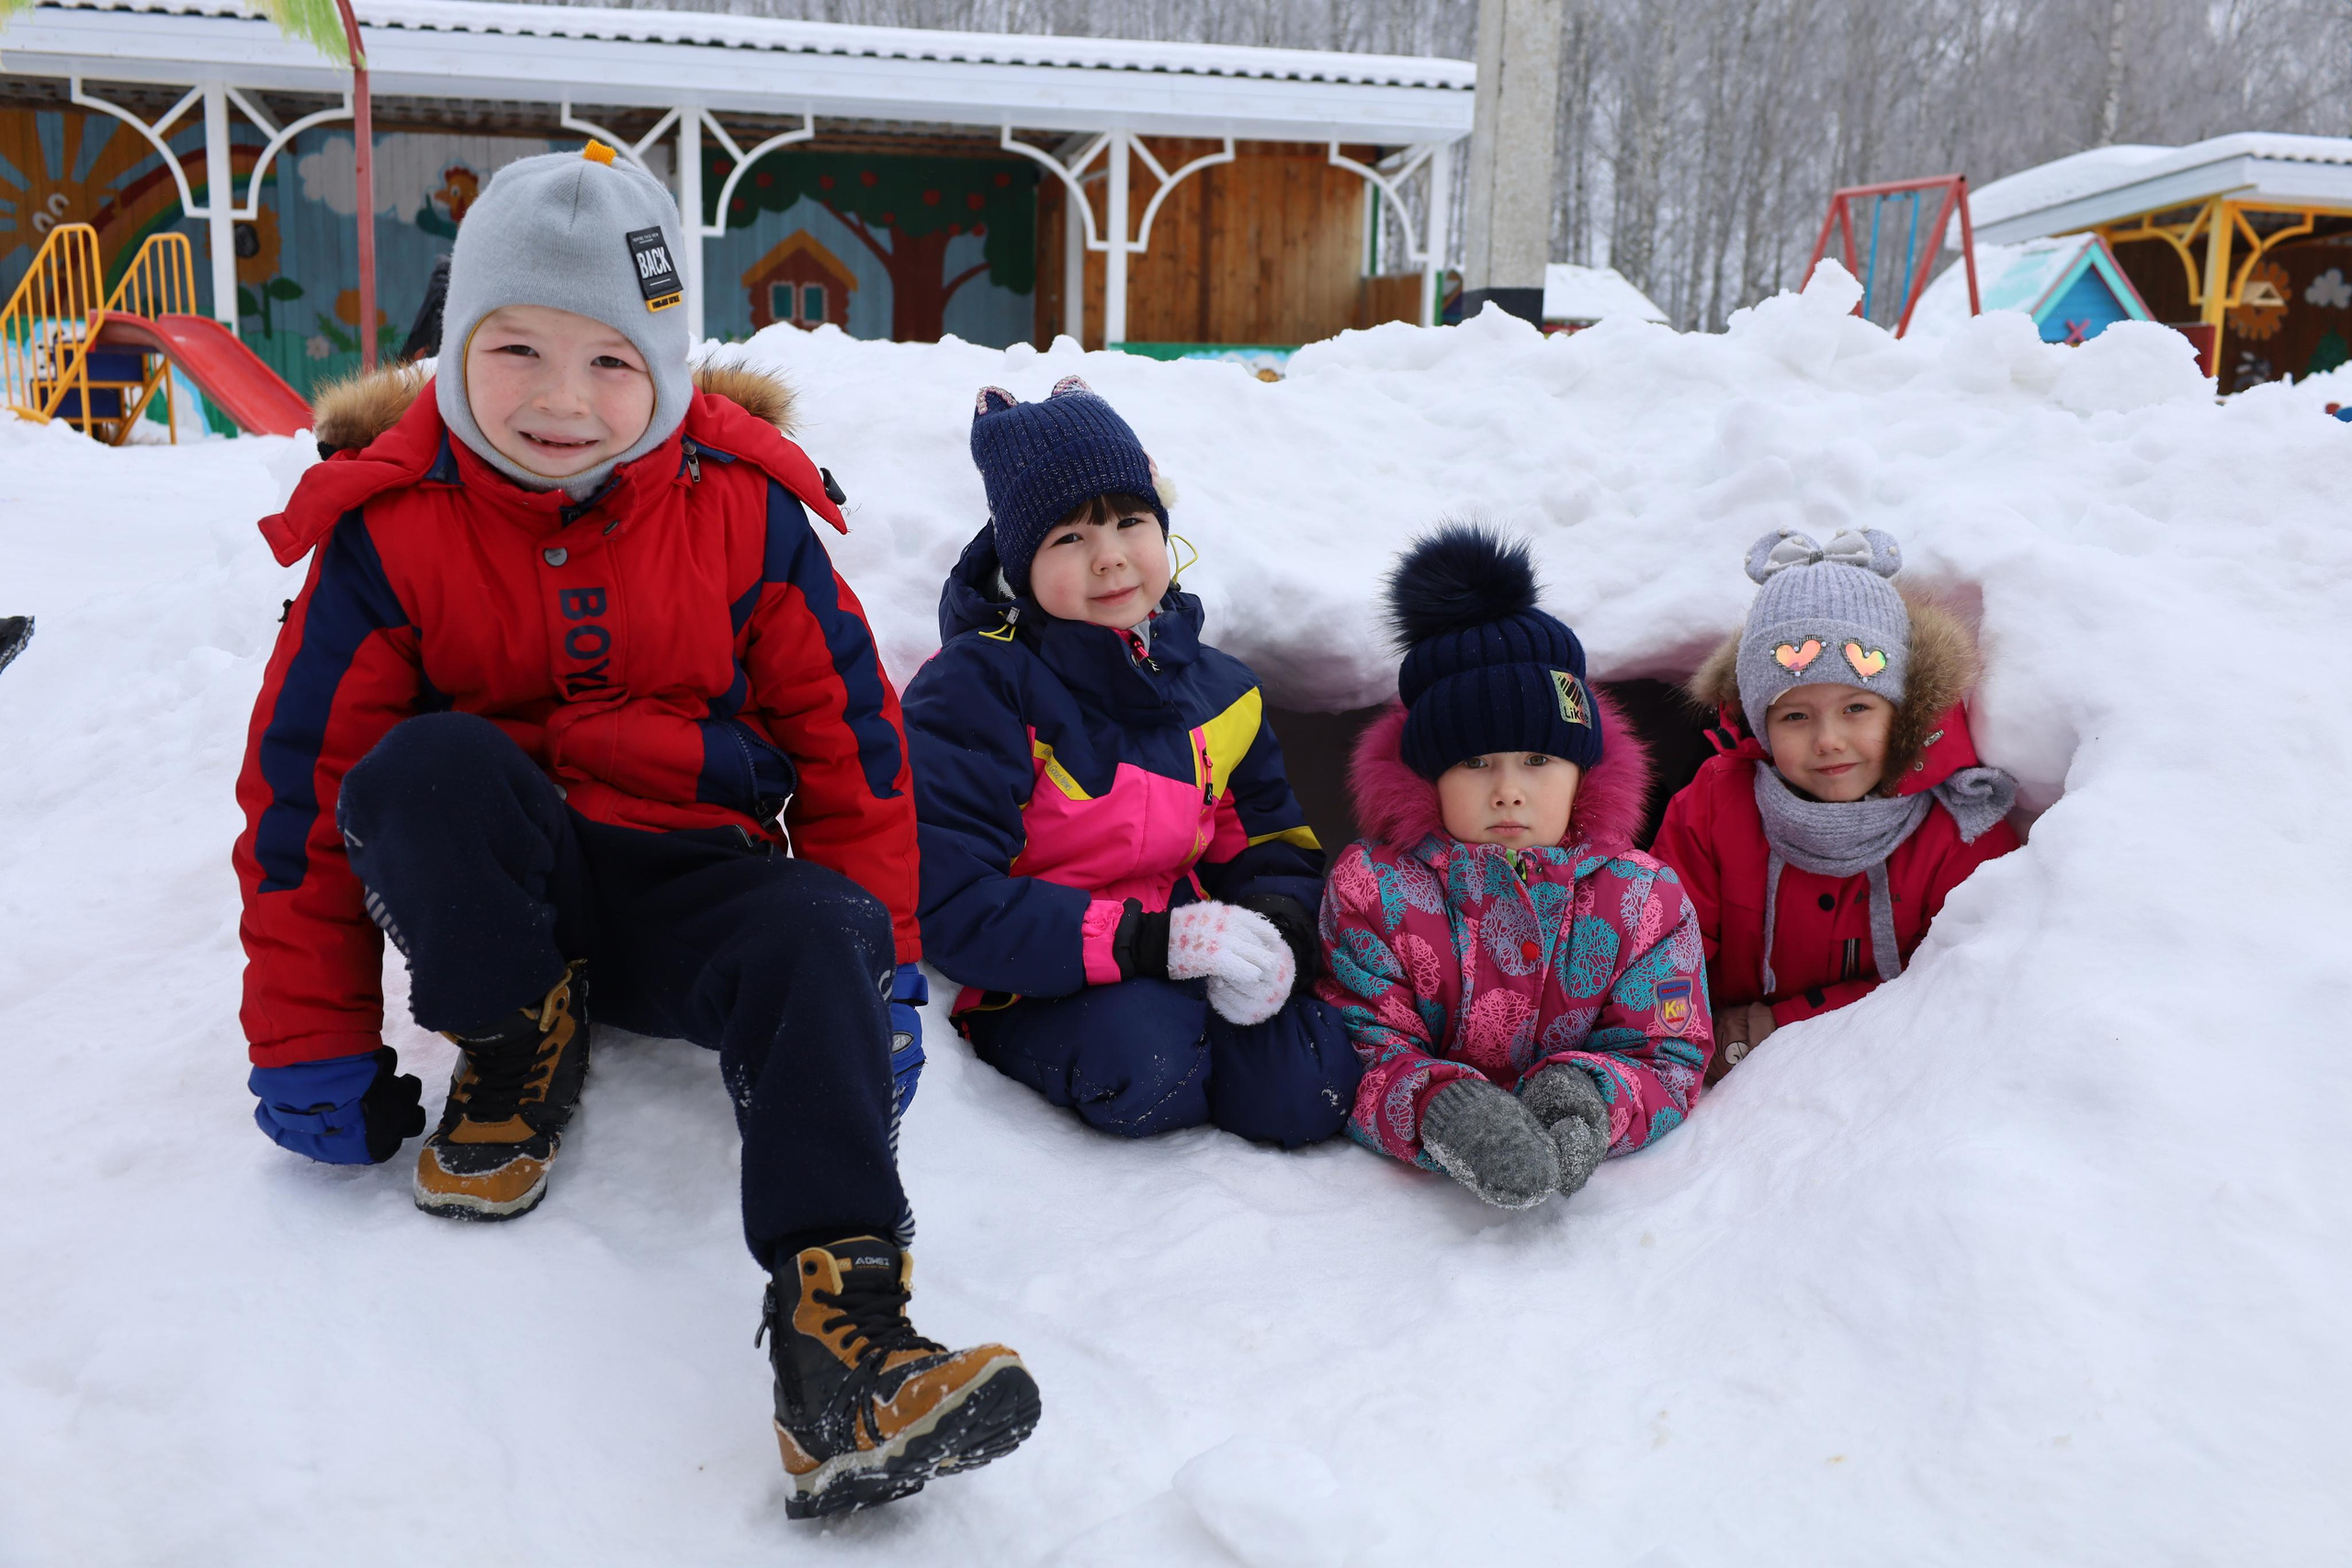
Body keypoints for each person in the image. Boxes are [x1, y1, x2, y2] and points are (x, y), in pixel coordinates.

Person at [232, 143, 1035, 1518]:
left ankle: (843, 1349)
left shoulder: (742, 510)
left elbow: (849, 742)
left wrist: (883, 970)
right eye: (518, 349)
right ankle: (515, 1038)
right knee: (422, 769)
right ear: (455, 349)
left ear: (665, 365)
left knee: (822, 924)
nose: (562, 399)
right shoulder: (392, 525)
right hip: (501, 890)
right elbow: (303, 791)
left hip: (687, 878)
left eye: (611, 360)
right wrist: (310, 1038)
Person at [901, 378, 1361, 1146]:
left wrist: (1275, 931)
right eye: (1069, 538)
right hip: (1039, 977)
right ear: (1022, 561)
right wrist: (1149, 944)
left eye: (1129, 521)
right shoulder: (978, 688)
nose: (1110, 557)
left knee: (1311, 1078)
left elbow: (1269, 842)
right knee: (1150, 1062)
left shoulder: (1220, 687)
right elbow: (951, 896)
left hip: (1190, 947)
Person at [1317, 526, 1711, 1211]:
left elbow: (1666, 1052)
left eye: (1537, 760)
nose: (1508, 791)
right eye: (1474, 763)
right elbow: (1359, 1047)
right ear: (1428, 776)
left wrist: (1588, 1098)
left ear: (1583, 772)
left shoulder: (1643, 899)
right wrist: (1444, 1111)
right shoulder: (1375, 891)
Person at [1650, 527, 2020, 1083]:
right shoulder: (1713, 803)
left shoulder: (1959, 825)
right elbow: (1661, 944)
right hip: (1714, 1062)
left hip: (1877, 1079)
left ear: (1901, 711)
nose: (1828, 740)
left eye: (1856, 708)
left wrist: (1776, 1027)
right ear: (1762, 724)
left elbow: (1952, 981)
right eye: (1795, 716)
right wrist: (1679, 1035)